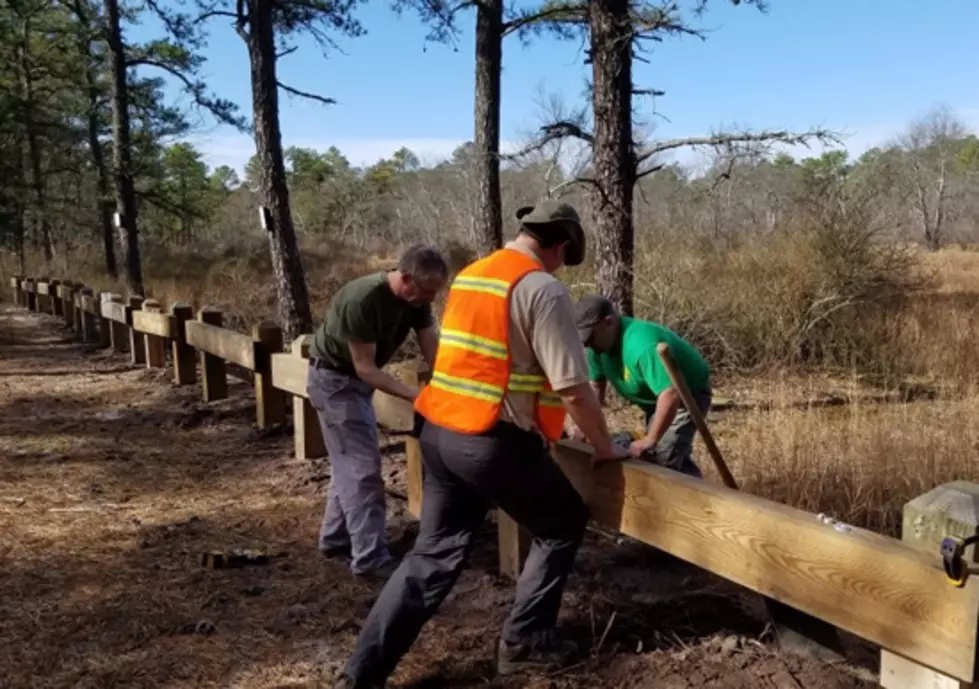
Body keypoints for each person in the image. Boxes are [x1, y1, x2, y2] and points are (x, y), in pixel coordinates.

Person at [332, 200, 628, 688]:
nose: (559, 265)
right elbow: (573, 387)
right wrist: (604, 447)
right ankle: (525, 643)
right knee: (562, 522)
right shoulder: (542, 288)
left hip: (438, 431)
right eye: (562, 256)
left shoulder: (473, 275)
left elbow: (485, 362)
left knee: (431, 555)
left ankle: (361, 675)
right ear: (558, 246)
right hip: (487, 438)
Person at [306, 244, 448, 578]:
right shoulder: (363, 299)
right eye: (427, 291)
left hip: (354, 383)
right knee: (362, 471)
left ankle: (335, 537)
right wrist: (418, 396)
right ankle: (370, 559)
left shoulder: (417, 301)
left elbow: (433, 350)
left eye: (435, 292)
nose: (431, 299)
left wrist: (448, 388)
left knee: (349, 464)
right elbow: (365, 368)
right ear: (407, 278)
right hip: (335, 381)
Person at [571, 294, 712, 479]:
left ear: (609, 322)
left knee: (663, 457)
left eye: (590, 337)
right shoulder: (597, 349)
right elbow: (595, 389)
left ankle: (692, 502)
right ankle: (701, 498)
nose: (588, 345)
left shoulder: (641, 345)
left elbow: (670, 394)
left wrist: (649, 440)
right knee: (668, 457)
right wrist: (584, 427)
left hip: (686, 395)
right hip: (656, 399)